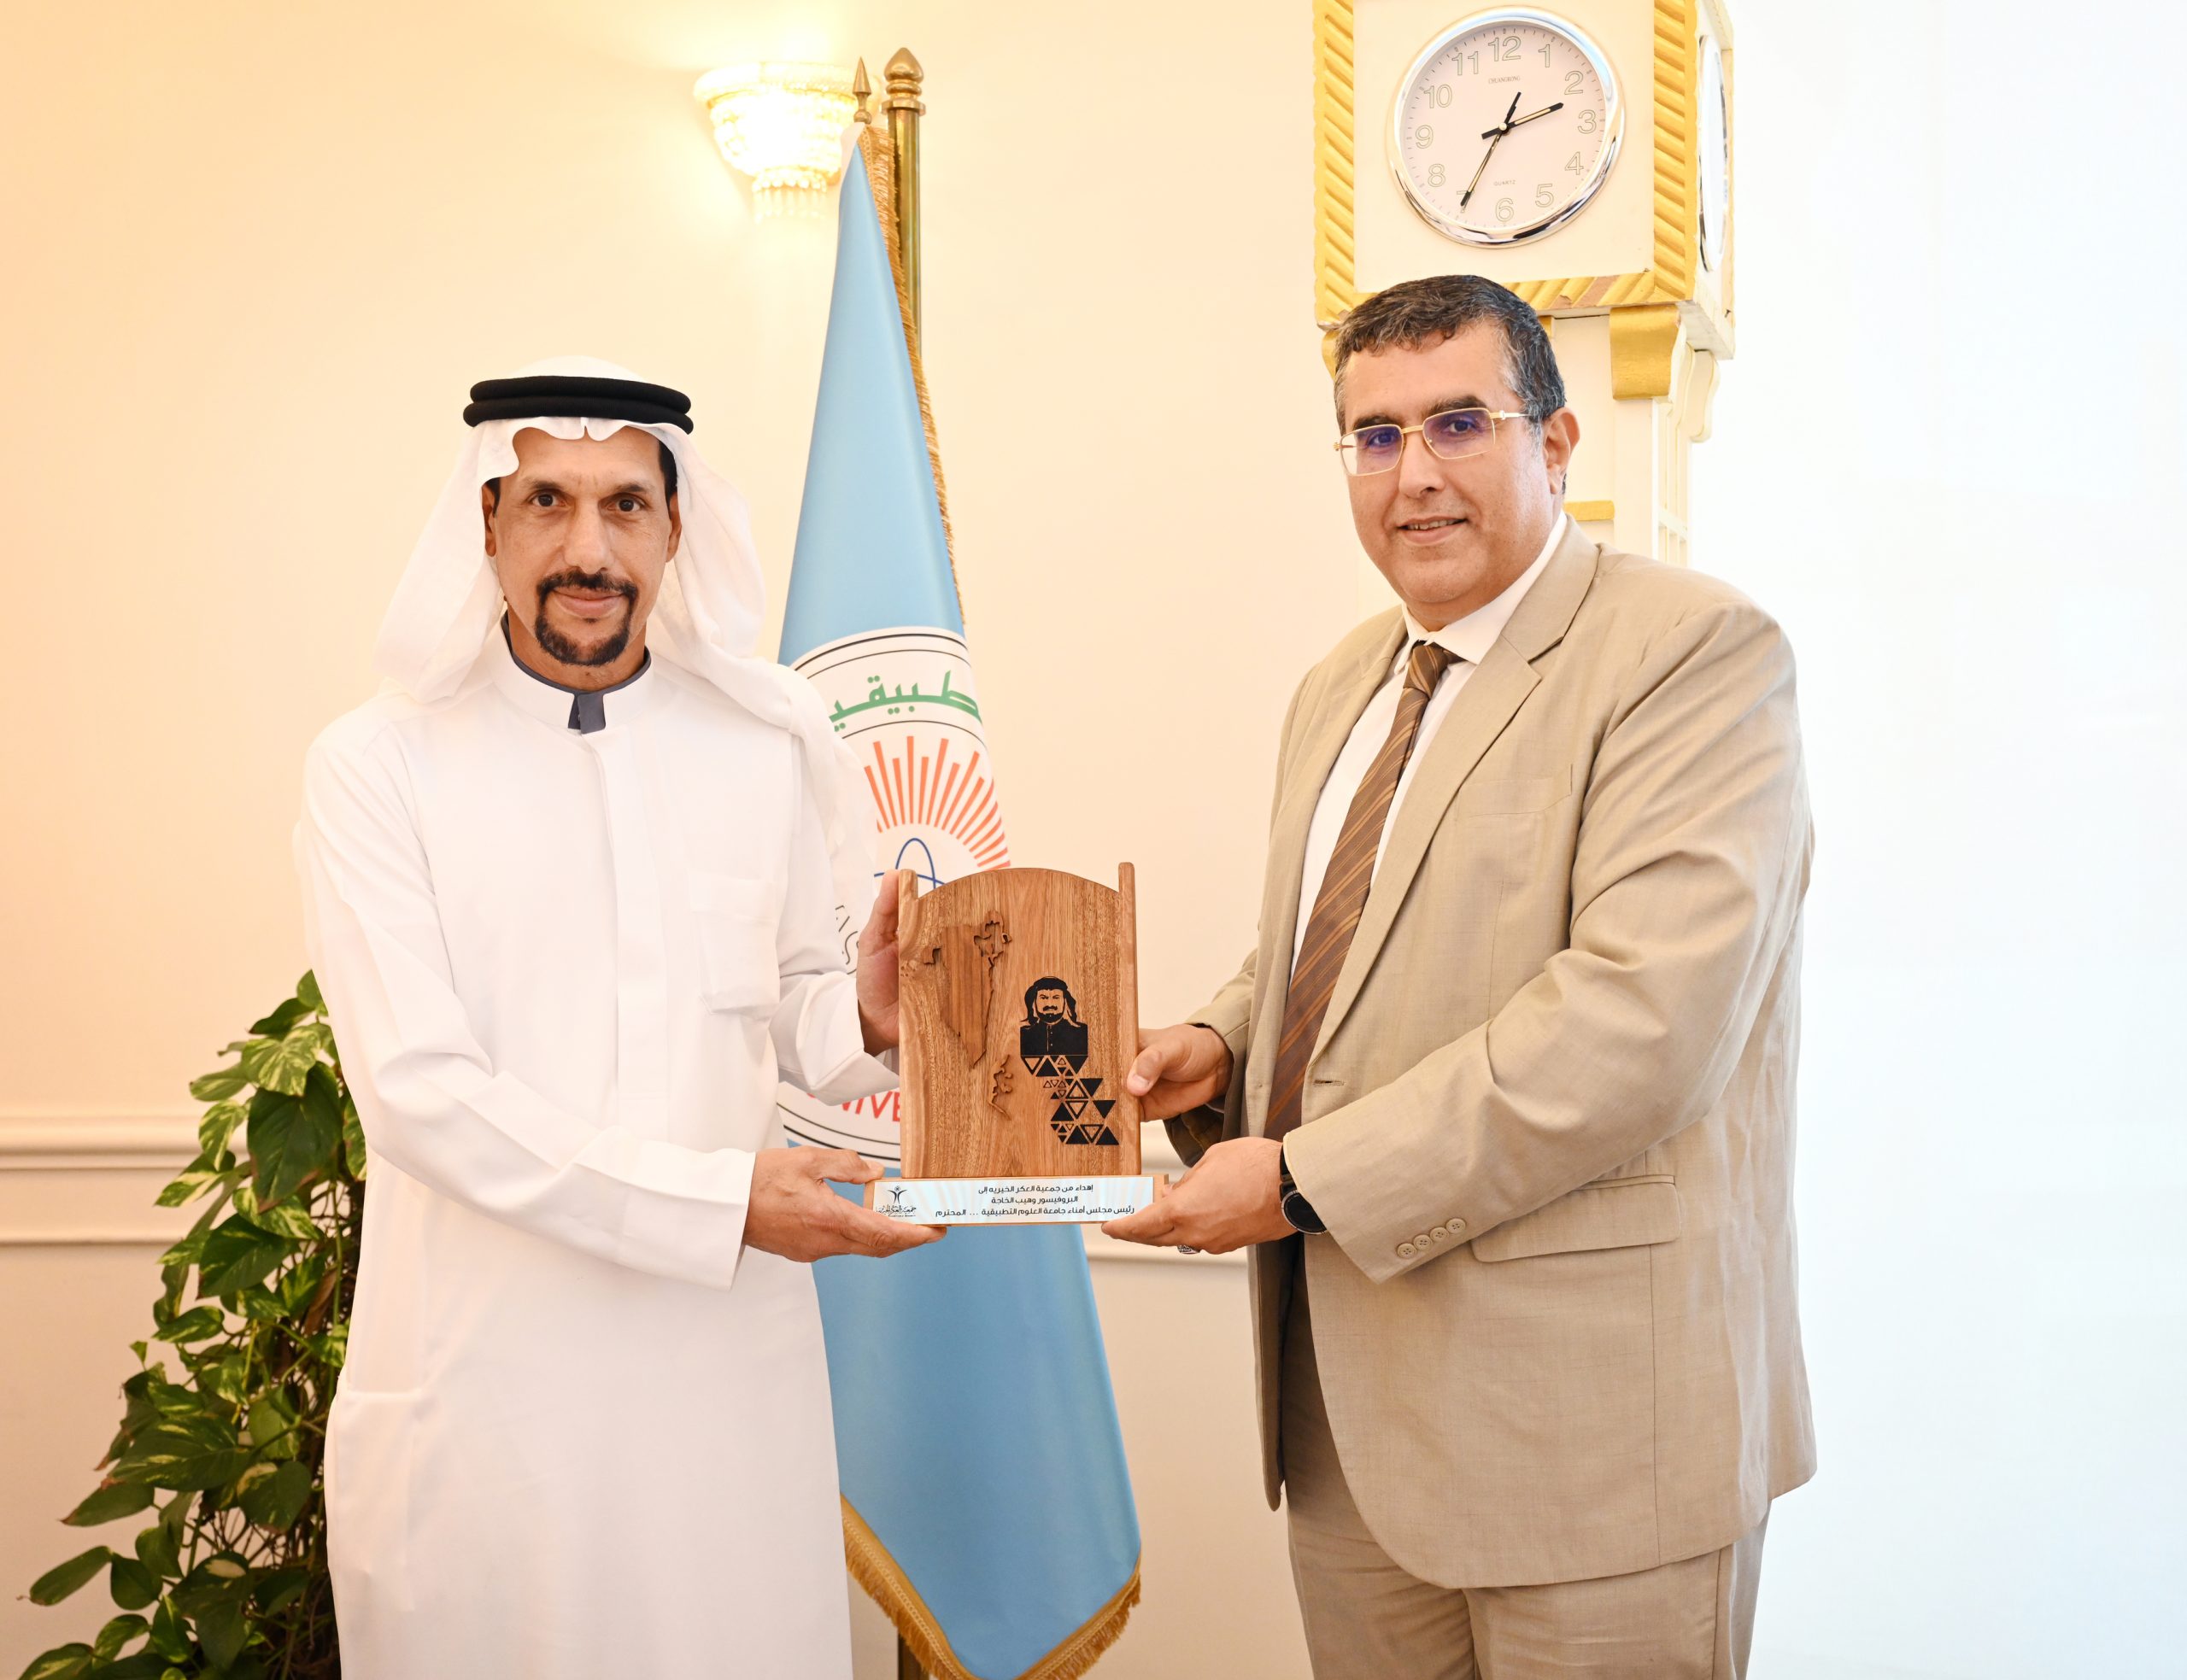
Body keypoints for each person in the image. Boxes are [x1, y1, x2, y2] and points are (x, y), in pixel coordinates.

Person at [1105, 276, 1815, 1678]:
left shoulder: (1690, 653)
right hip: (1349, 1434)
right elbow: (1339, 944)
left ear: (1555, 443)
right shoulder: (1343, 682)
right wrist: (1221, 1040)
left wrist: (1297, 1180)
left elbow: (1638, 1028)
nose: (1414, 473)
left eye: (1457, 423)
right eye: (1375, 436)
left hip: (1597, 1447)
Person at [295, 357, 940, 1679]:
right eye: (547, 501)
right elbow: (419, 1094)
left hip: (719, 1384)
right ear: (486, 520)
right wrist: (723, 1203)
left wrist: (868, 1015)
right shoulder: (377, 764)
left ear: (675, 525)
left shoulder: (767, 739)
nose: (587, 548)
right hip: (491, 1386)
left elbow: (794, 1003)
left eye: (624, 506)